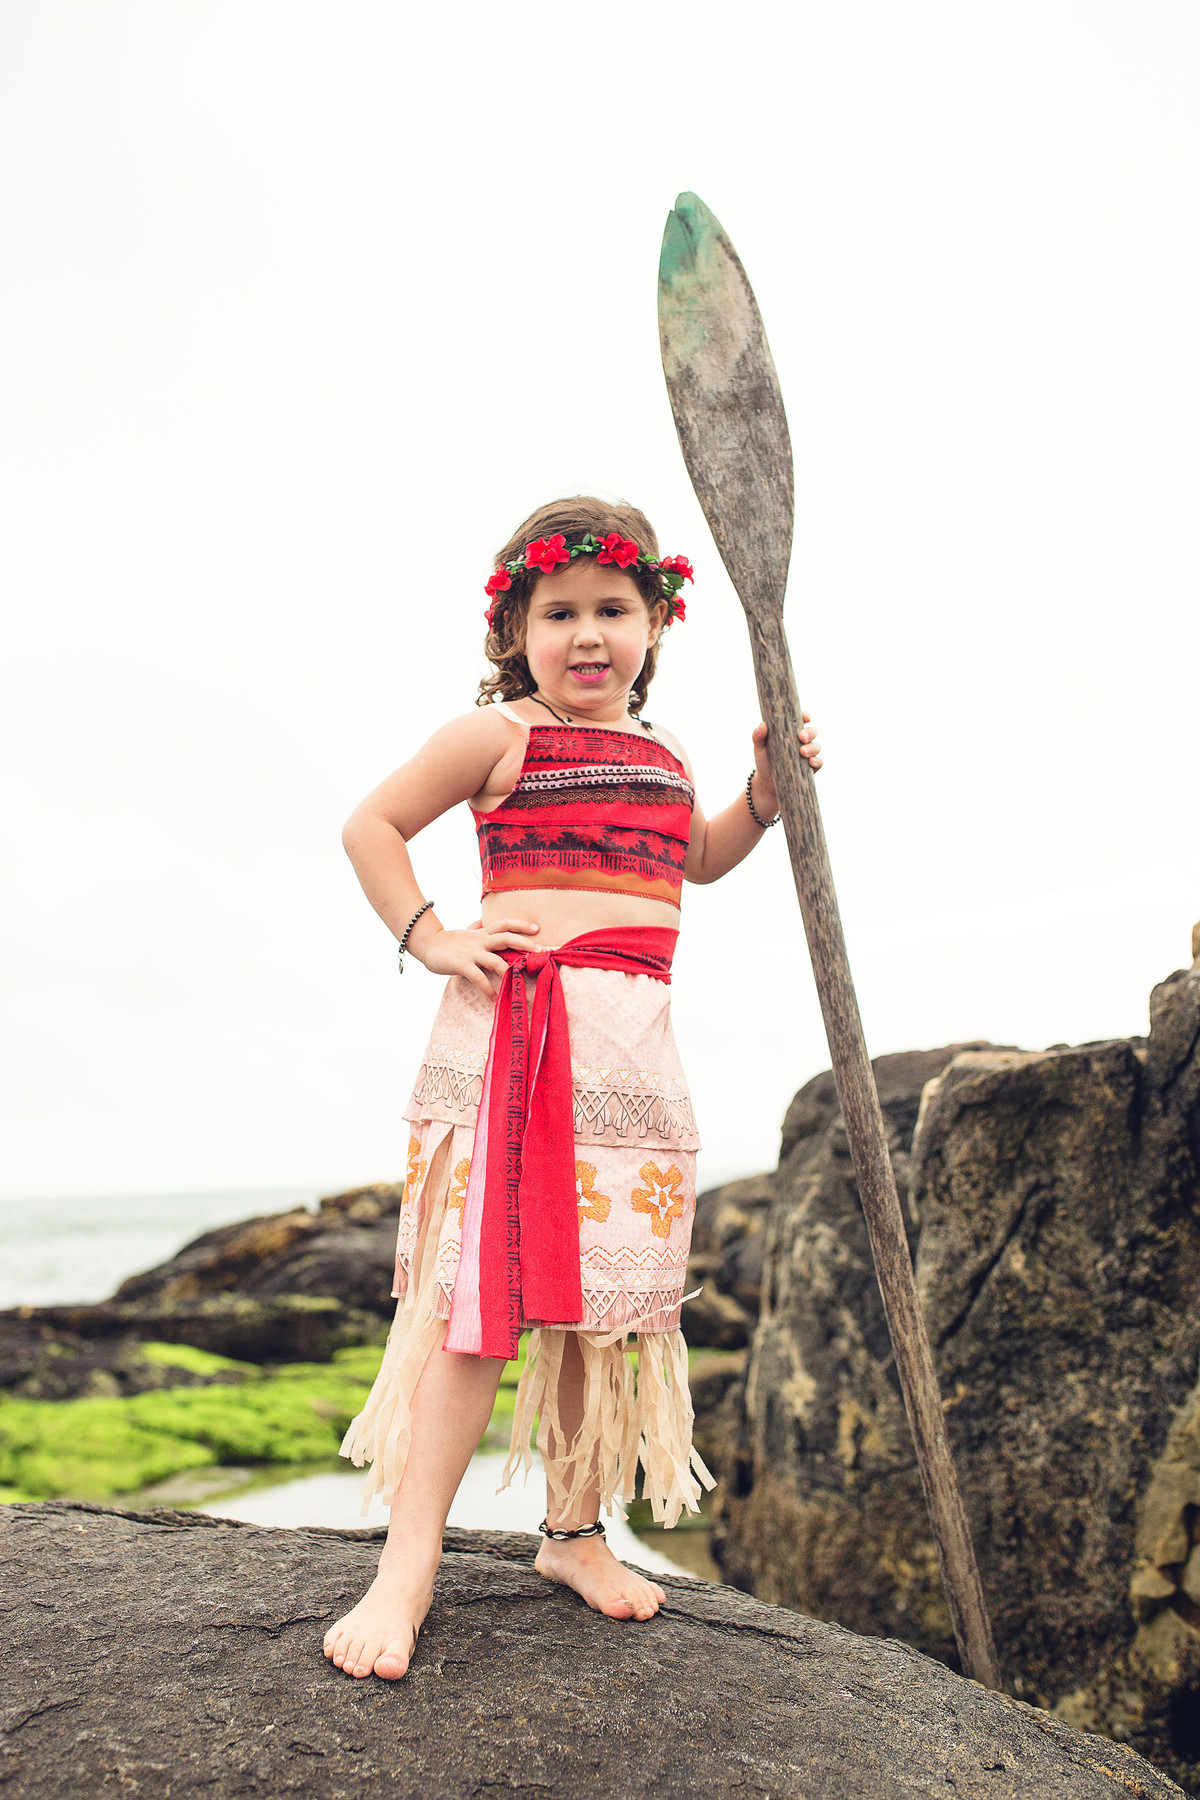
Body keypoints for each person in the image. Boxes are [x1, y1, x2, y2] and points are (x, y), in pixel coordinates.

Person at [322, 496, 822, 1681]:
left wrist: (763, 791)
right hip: (516, 1051)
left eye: (613, 609)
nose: (587, 634)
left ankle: (576, 1534)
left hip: (633, 1068)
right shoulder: (498, 737)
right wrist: (432, 935)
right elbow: (371, 825)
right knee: (475, 1312)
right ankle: (409, 1565)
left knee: (612, 1314)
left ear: (656, 622)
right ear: (518, 629)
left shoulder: (667, 755)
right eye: (561, 613)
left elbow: (696, 856)